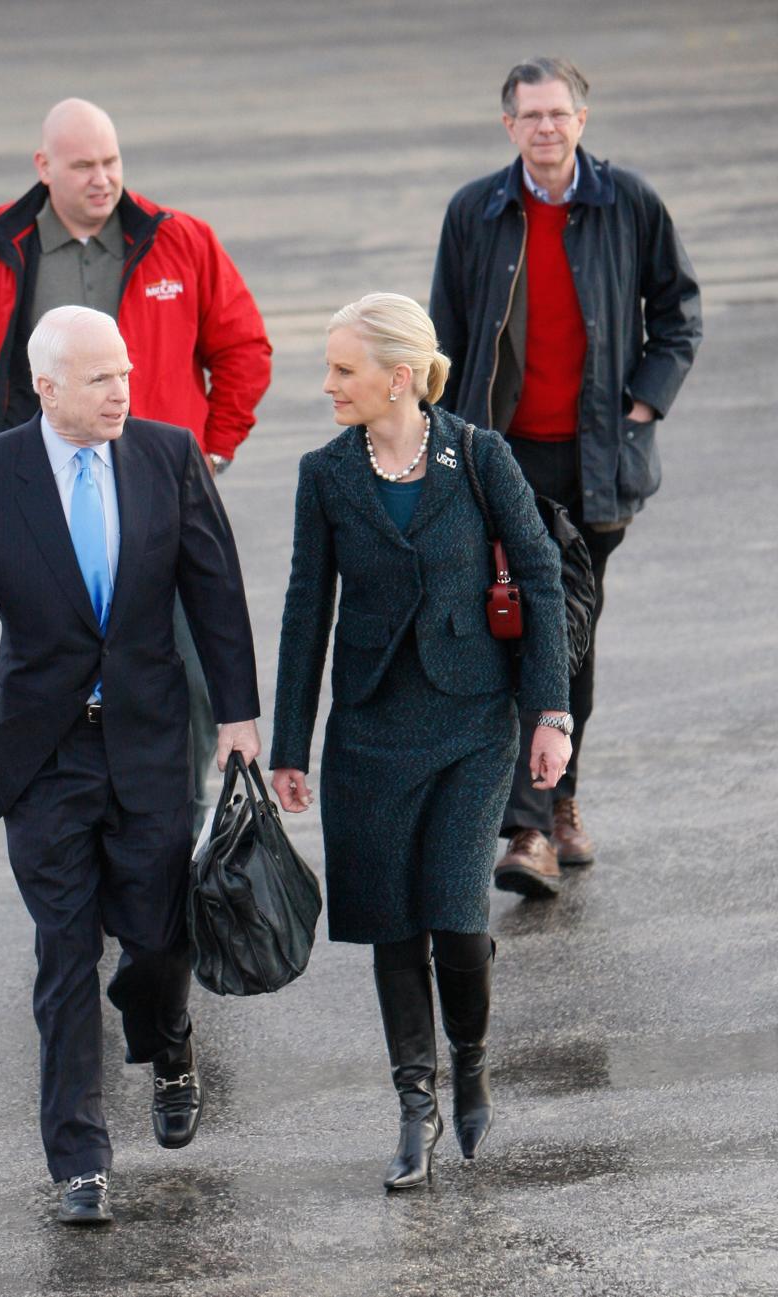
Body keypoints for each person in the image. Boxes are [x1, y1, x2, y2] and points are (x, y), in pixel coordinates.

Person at [0, 306, 261, 1225]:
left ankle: (169, 1037)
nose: (122, 390)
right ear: (47, 387)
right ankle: (79, 1161)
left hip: (151, 737)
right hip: (41, 751)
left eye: (126, 373)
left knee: (156, 934)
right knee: (65, 951)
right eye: (101, 378)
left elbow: (214, 583)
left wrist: (238, 713)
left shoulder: (167, 454)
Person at [270, 294, 570, 1190]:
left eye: (343, 369)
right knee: (392, 920)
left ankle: (469, 1058)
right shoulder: (325, 475)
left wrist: (548, 713)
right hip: (368, 728)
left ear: (399, 377)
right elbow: (303, 612)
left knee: (452, 911)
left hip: (472, 722)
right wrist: (291, 744)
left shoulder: (479, 457)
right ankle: (416, 1103)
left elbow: (543, 580)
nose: (327, 384)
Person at [0, 97, 272, 837]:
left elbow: (243, 348)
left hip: (151, 489)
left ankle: (177, 819)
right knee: (49, 664)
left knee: (180, 657)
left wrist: (211, 449)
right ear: (44, 167)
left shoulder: (182, 243)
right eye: (83, 165)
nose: (102, 178)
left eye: (112, 161)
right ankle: (65, 822)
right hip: (35, 495)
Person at [429, 57, 701, 898]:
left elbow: (679, 312)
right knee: (514, 629)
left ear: (583, 118)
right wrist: (439, 445)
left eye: (559, 113)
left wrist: (641, 413)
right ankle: (537, 822)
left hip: (594, 463)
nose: (546, 128)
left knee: (565, 639)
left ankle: (547, 814)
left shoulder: (629, 204)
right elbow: (441, 332)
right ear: (508, 126)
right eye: (530, 116)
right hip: (500, 458)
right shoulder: (475, 211)